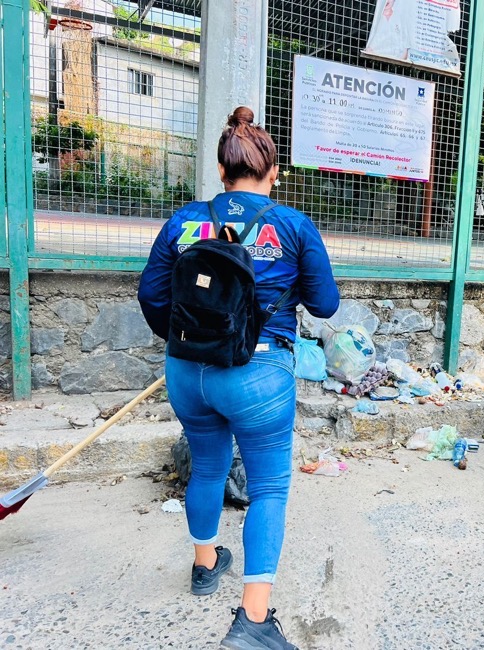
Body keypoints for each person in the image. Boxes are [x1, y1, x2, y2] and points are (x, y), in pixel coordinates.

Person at [138, 106, 339, 649]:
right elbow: (324, 304)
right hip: (259, 373)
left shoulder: (184, 221)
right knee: (268, 487)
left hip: (186, 375)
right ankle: (253, 622)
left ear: (221, 173)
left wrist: (185, 341)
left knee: (206, 466)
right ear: (273, 173)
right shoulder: (292, 224)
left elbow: (151, 295)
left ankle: (206, 565)